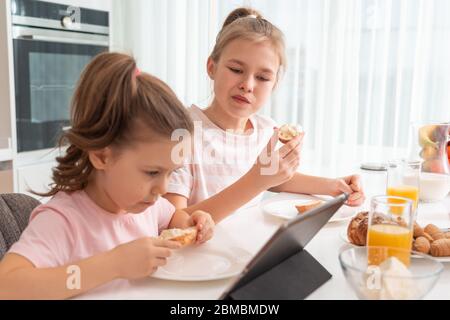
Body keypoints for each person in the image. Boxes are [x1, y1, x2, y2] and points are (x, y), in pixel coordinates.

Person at [0, 52, 214, 299]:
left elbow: (173, 217)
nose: (163, 188)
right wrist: (114, 265)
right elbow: (7, 285)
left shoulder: (145, 205)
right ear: (102, 156)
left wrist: (193, 223)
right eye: (152, 172)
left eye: (171, 173)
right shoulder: (63, 221)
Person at [165, 7, 365, 222]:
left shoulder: (264, 130)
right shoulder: (182, 132)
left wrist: (333, 186)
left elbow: (274, 178)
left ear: (275, 84)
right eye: (236, 70)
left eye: (262, 77)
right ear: (212, 67)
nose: (247, 85)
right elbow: (171, 220)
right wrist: (256, 181)